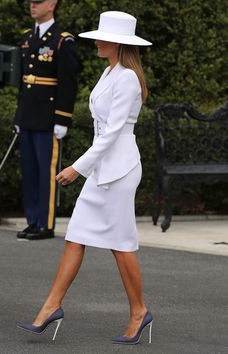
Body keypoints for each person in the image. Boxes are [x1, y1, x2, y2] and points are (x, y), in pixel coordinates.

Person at [17, 11, 153, 345]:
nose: (96, 41)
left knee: (120, 246)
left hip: (119, 171)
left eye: (101, 37)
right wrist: (87, 169)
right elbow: (102, 133)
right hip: (102, 169)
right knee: (76, 235)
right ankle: (51, 306)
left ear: (117, 43)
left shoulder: (127, 79)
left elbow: (112, 135)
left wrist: (77, 167)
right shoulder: (111, 73)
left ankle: (139, 312)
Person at [14, 0, 79, 240]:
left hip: (48, 117)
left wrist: (63, 118)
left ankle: (46, 223)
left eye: (38, 2)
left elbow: (68, 83)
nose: (33, 6)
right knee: (29, 171)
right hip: (29, 115)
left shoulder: (62, 40)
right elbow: (24, 82)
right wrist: (18, 115)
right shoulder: (27, 38)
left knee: (46, 172)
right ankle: (33, 220)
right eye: (31, 2)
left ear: (52, 4)